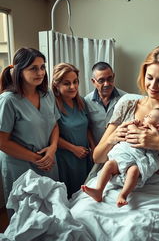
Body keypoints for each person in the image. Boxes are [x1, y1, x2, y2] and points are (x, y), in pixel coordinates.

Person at [87, 44, 159, 238]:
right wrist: (114, 137)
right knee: (83, 219)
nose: (152, 86)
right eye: (149, 78)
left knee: (137, 232)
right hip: (119, 178)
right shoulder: (126, 105)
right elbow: (97, 157)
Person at [0, 47, 60, 216]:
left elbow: (55, 124)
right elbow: (2, 142)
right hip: (21, 166)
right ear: (19, 71)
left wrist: (53, 149)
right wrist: (38, 159)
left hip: (48, 160)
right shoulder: (8, 101)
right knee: (26, 216)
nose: (40, 72)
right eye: (33, 68)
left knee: (51, 210)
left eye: (42, 67)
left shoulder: (47, 94)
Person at [81, 107, 159, 207]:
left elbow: (137, 133)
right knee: (109, 164)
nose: (145, 116)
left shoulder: (156, 135)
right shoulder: (142, 127)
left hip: (136, 160)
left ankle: (123, 195)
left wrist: (133, 125)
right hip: (123, 158)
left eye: (149, 116)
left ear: (158, 127)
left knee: (134, 170)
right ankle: (99, 190)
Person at [52, 63, 95, 199]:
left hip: (84, 157)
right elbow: (51, 137)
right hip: (65, 158)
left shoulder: (81, 102)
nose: (73, 87)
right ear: (57, 86)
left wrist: (94, 147)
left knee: (84, 195)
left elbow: (87, 127)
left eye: (75, 82)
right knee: (69, 196)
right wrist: (74, 149)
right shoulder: (53, 105)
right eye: (67, 83)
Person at [84, 62, 126, 145]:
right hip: (97, 149)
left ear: (114, 76)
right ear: (93, 81)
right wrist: (93, 149)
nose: (106, 84)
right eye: (101, 80)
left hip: (120, 151)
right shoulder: (86, 101)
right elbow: (87, 128)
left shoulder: (125, 99)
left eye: (109, 79)